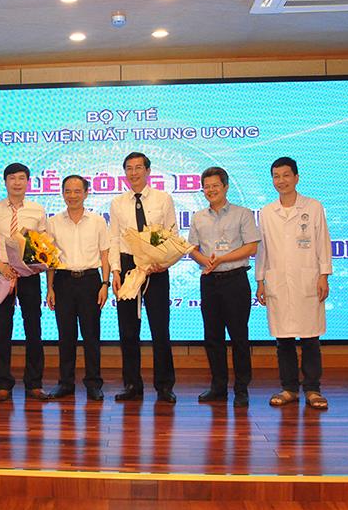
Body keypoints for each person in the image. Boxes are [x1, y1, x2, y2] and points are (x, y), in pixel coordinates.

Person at [256, 157, 333, 410]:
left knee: (310, 337)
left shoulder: (313, 207)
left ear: (296, 177)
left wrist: (323, 275)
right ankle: (289, 388)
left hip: (308, 279)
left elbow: (323, 242)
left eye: (286, 175)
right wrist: (260, 280)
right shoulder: (267, 212)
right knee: (284, 339)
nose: (281, 181)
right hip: (278, 281)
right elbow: (263, 249)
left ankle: (313, 389)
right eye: (276, 176)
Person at [188, 166, 260, 408]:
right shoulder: (198, 217)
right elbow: (192, 248)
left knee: (239, 336)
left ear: (226, 187)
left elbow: (251, 247)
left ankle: (241, 389)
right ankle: (218, 387)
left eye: (215, 186)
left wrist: (222, 259)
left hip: (235, 280)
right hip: (209, 281)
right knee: (212, 337)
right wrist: (204, 260)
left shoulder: (243, 214)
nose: (211, 190)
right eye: (206, 187)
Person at [109, 152, 178, 404]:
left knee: (160, 329)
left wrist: (163, 262)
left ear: (148, 171)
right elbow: (114, 239)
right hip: (128, 267)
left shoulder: (163, 199)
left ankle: (164, 386)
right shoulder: (117, 203)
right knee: (128, 331)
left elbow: (172, 234)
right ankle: (132, 384)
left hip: (156, 267)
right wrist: (116, 271)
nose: (134, 172)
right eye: (129, 168)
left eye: (139, 167)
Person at [0, 162, 49, 402]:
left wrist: (34, 264)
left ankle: (34, 383)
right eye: (12, 178)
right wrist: (1, 266)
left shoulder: (37, 210)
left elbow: (44, 245)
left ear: (28, 182)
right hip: (2, 274)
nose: (17, 182)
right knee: (2, 330)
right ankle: (3, 384)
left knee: (34, 329)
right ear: (5, 181)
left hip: (29, 275)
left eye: (21, 178)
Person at [46, 175, 111, 401]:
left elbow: (105, 255)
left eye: (77, 191)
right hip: (63, 281)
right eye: (68, 191)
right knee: (66, 335)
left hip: (90, 281)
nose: (72, 196)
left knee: (91, 335)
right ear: (62, 193)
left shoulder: (98, 221)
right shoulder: (53, 222)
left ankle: (93, 383)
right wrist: (50, 287)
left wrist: (105, 284)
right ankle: (65, 383)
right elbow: (49, 258)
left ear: (86, 193)